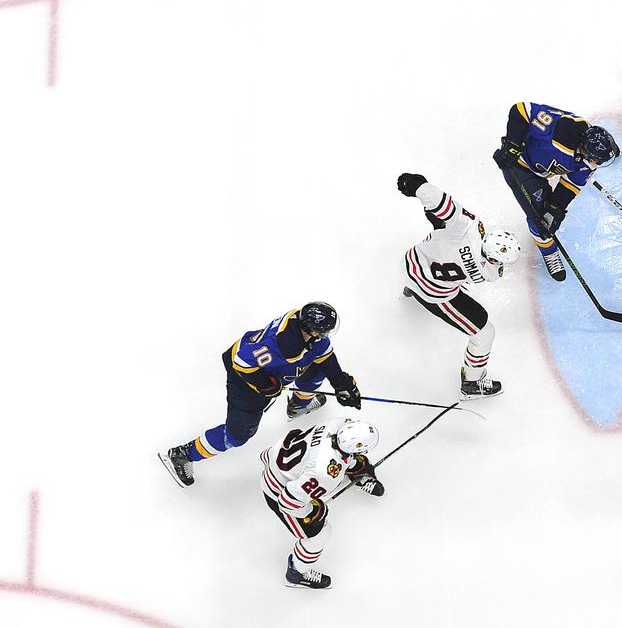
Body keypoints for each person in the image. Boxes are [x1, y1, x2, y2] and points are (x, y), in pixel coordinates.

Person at [158, 302, 363, 488]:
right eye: (323, 331)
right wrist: (264, 385)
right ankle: (183, 454)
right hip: (245, 384)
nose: (324, 335)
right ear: (311, 328)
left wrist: (341, 383)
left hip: (266, 366)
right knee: (238, 435)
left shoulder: (302, 326)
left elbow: (324, 356)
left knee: (316, 370)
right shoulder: (285, 345)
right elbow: (242, 362)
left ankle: (299, 405)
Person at [396, 173, 521, 398]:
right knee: (484, 333)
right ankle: (471, 384)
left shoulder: (469, 229)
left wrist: (419, 186)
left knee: (440, 227)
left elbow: (444, 206)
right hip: (432, 291)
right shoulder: (490, 273)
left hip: (411, 262)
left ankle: (409, 291)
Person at [493, 102, 620, 282]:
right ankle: (549, 252)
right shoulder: (562, 130)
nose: (595, 164)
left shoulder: (590, 159)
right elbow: (522, 109)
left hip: (544, 168)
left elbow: (571, 184)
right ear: (585, 150)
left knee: (548, 216)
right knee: (538, 220)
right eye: (595, 159)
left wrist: (555, 207)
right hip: (520, 165)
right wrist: (512, 145)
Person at [260, 417, 385, 589]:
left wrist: (354, 464)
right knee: (319, 535)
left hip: (279, 455)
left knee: (343, 464)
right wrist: (313, 511)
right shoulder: (325, 475)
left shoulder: (336, 424)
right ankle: (297, 574)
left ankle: (355, 474)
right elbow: (288, 502)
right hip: (278, 489)